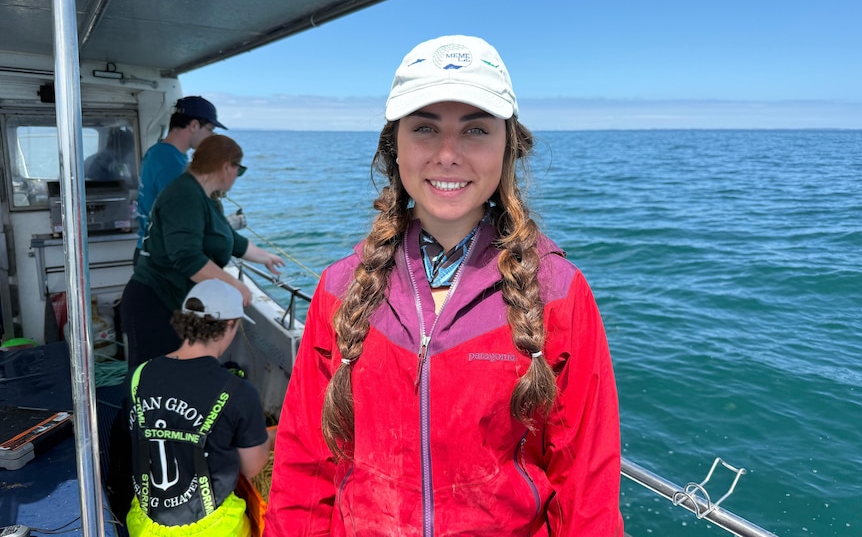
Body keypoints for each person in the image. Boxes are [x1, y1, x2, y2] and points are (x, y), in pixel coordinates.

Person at [264, 35, 624, 535]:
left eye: (475, 129)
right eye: (425, 129)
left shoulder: (559, 292)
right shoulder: (340, 288)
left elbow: (586, 489)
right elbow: (304, 465)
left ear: (508, 146)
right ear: (395, 146)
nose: (448, 155)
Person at [110, 279, 271, 536]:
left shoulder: (137, 377)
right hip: (214, 530)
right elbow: (252, 468)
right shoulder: (238, 391)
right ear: (230, 324)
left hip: (145, 528)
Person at [121, 134, 284, 367]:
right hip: (154, 303)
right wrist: (236, 284)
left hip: (173, 302)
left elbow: (230, 240)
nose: (237, 176)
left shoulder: (204, 197)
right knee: (149, 384)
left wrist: (265, 257)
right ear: (227, 166)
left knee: (170, 380)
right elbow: (187, 258)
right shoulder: (184, 195)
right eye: (239, 169)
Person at [135, 96, 226, 263]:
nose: (212, 135)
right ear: (194, 125)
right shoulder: (170, 163)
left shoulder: (159, 152)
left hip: (150, 250)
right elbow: (182, 219)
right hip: (163, 258)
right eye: (210, 129)